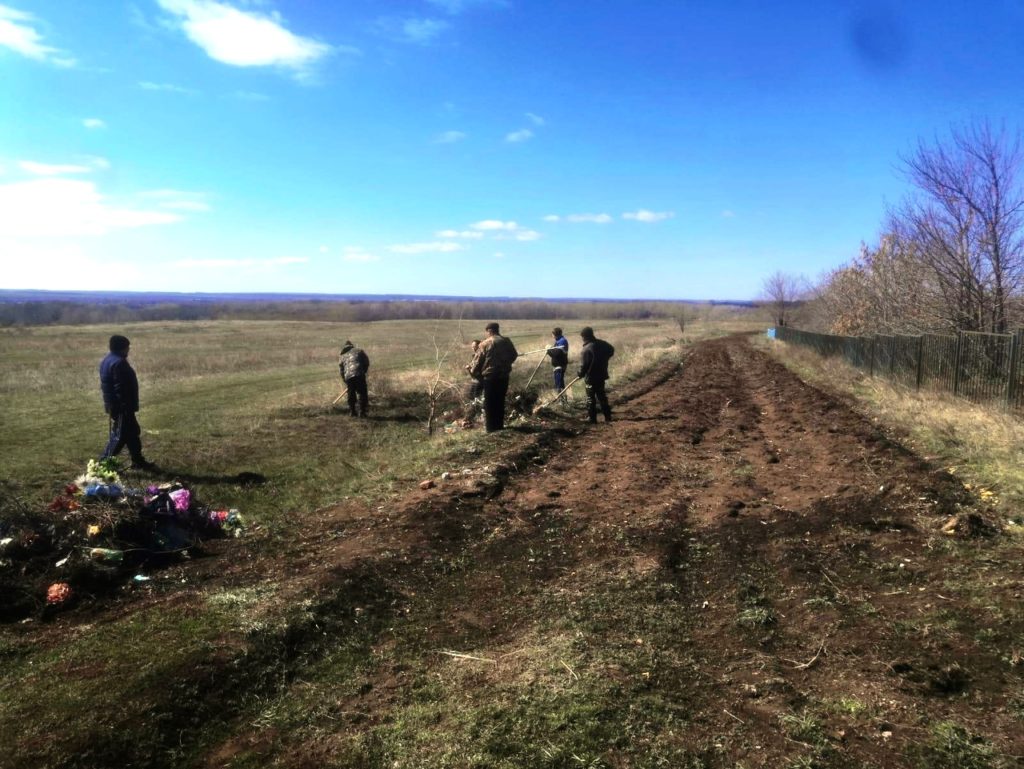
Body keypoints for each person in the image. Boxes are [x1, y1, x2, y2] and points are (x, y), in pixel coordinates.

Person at [99, 334, 155, 469]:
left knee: (132, 433)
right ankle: (103, 464)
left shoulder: (107, 360)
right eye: (127, 347)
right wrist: (125, 407)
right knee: (119, 436)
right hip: (122, 407)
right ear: (122, 348)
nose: (128, 350)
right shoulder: (119, 363)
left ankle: (138, 461)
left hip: (115, 406)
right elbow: (121, 388)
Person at [468, 322, 518, 432]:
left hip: (490, 377)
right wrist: (506, 364)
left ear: (489, 331)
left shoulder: (485, 344)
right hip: (504, 376)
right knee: (500, 401)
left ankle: (491, 429)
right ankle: (500, 426)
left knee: (490, 403)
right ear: (497, 329)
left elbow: (477, 362)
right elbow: (514, 355)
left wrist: (472, 371)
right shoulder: (506, 341)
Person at [578, 326, 614, 423]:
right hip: (601, 375)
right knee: (602, 396)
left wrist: (580, 374)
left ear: (584, 337)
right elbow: (611, 350)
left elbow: (584, 366)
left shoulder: (586, 349)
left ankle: (592, 419)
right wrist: (604, 359)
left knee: (590, 398)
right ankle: (608, 417)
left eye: (582, 337)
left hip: (590, 377)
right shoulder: (603, 344)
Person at [339, 340, 370, 417]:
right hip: (359, 374)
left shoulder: (342, 356)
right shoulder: (359, 351)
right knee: (362, 393)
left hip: (348, 377)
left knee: (351, 393)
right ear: (352, 346)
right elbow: (366, 362)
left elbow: (341, 370)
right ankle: (362, 412)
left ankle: (352, 411)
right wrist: (363, 371)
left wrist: (345, 381)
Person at [546, 327, 569, 394]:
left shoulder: (562, 341)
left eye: (552, 334)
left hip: (560, 365)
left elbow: (557, 354)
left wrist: (550, 349)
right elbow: (554, 354)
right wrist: (549, 351)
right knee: (558, 383)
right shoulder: (558, 341)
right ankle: (561, 399)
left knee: (559, 383)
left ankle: (562, 399)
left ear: (555, 334)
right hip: (557, 365)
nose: (552, 336)